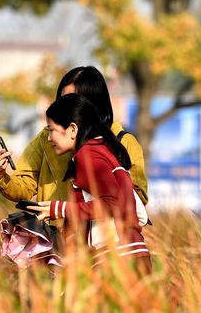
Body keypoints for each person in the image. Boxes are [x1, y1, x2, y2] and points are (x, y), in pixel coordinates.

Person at [0, 66, 149, 209]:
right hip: (54, 231)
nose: (64, 107)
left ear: (93, 104)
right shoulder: (47, 137)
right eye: (62, 100)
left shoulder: (123, 141)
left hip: (101, 232)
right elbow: (24, 185)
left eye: (72, 101)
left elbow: (138, 200)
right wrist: (0, 177)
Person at [26, 94, 151, 270]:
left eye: (51, 130)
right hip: (133, 256)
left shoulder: (88, 154)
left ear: (72, 129)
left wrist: (60, 209)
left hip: (118, 260)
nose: (49, 138)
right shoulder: (101, 149)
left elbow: (112, 203)